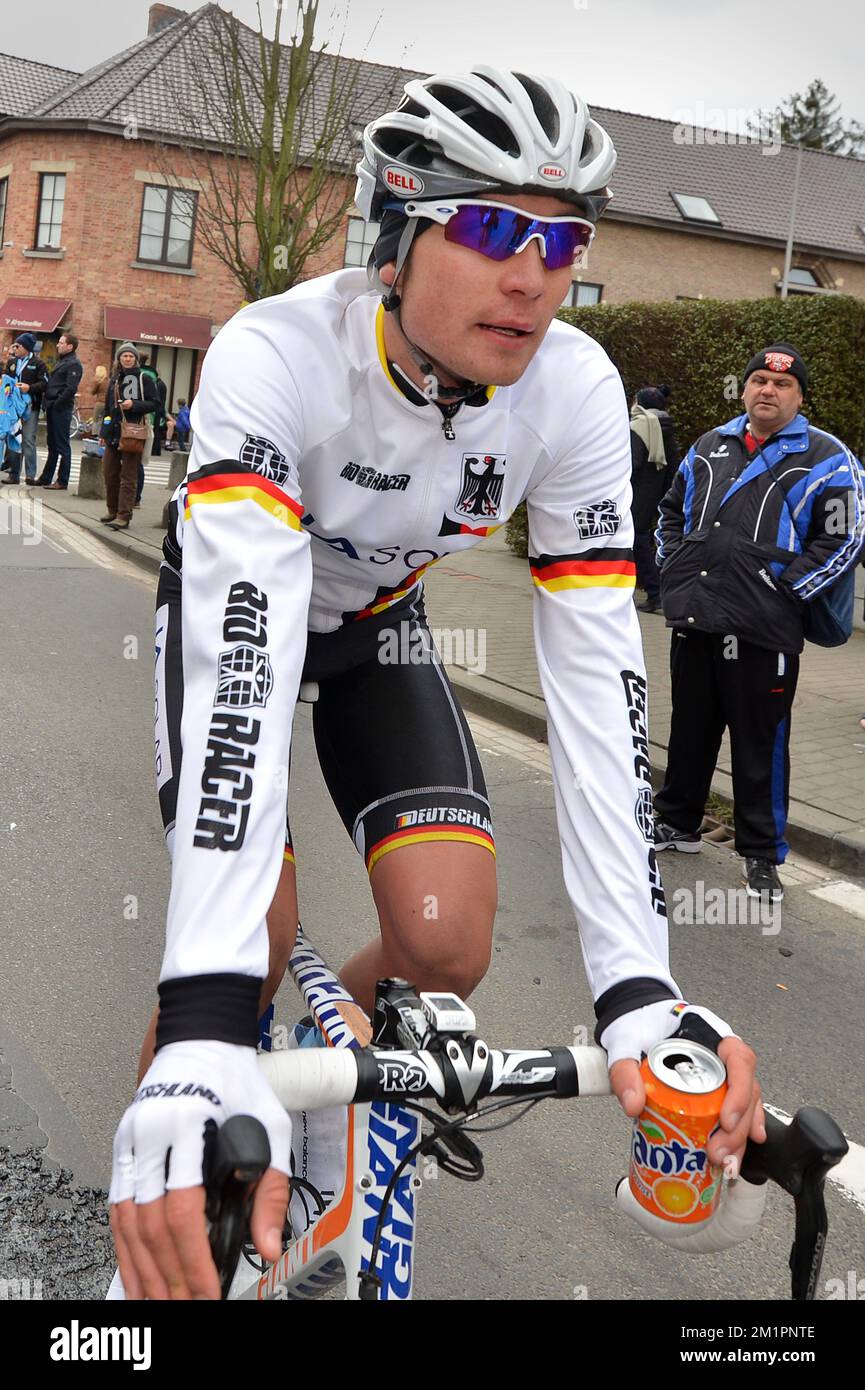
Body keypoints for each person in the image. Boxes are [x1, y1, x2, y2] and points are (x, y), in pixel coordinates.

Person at [109, 67, 764, 1302]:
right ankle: (163, 1170)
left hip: (374, 629)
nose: (534, 274)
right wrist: (201, 1020)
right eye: (492, 229)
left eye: (563, 241)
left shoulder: (572, 390)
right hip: (240, 612)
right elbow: (242, 665)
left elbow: (595, 679)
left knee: (444, 941)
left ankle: (321, 1058)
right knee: (247, 948)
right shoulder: (277, 350)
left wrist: (638, 989)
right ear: (398, 238)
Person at [653, 343, 864, 900]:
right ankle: (678, 822)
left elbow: (844, 537)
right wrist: (674, 567)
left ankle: (762, 854)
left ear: (799, 396)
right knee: (691, 729)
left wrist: (786, 591)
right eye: (758, 382)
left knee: (760, 744)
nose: (768, 391)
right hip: (697, 616)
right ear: (744, 388)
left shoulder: (828, 459)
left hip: (763, 629)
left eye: (783, 385)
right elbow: (670, 511)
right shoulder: (708, 446)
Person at [629, 385, 678, 613]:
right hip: (657, 494)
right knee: (643, 540)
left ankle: (655, 592)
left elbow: (632, 464)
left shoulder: (639, 426)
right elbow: (673, 467)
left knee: (636, 541)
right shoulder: (665, 427)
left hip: (636, 494)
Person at [98, 343, 158, 529]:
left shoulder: (144, 379)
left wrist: (134, 405)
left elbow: (155, 403)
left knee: (128, 476)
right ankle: (112, 510)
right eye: (124, 356)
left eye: (131, 356)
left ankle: (123, 516)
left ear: (136, 359)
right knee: (109, 473)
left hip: (133, 432)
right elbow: (108, 409)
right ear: (119, 359)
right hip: (113, 434)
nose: (127, 359)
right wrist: (103, 432)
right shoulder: (115, 379)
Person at [33, 332, 83, 489]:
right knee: (52, 445)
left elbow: (70, 389)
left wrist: (56, 403)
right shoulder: (63, 361)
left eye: (61, 343)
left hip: (60, 409)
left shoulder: (73, 363)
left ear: (70, 346)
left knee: (62, 445)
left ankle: (62, 480)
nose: (57, 344)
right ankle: (46, 477)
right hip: (53, 407)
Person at [1, 334, 48, 485]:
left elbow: (45, 384)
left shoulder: (38, 363)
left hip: (30, 407)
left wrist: (29, 388)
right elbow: (6, 381)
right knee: (13, 438)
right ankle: (14, 474)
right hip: (13, 408)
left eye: (18, 346)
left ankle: (30, 475)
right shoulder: (12, 362)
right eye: (15, 346)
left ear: (27, 348)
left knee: (27, 440)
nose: (15, 348)